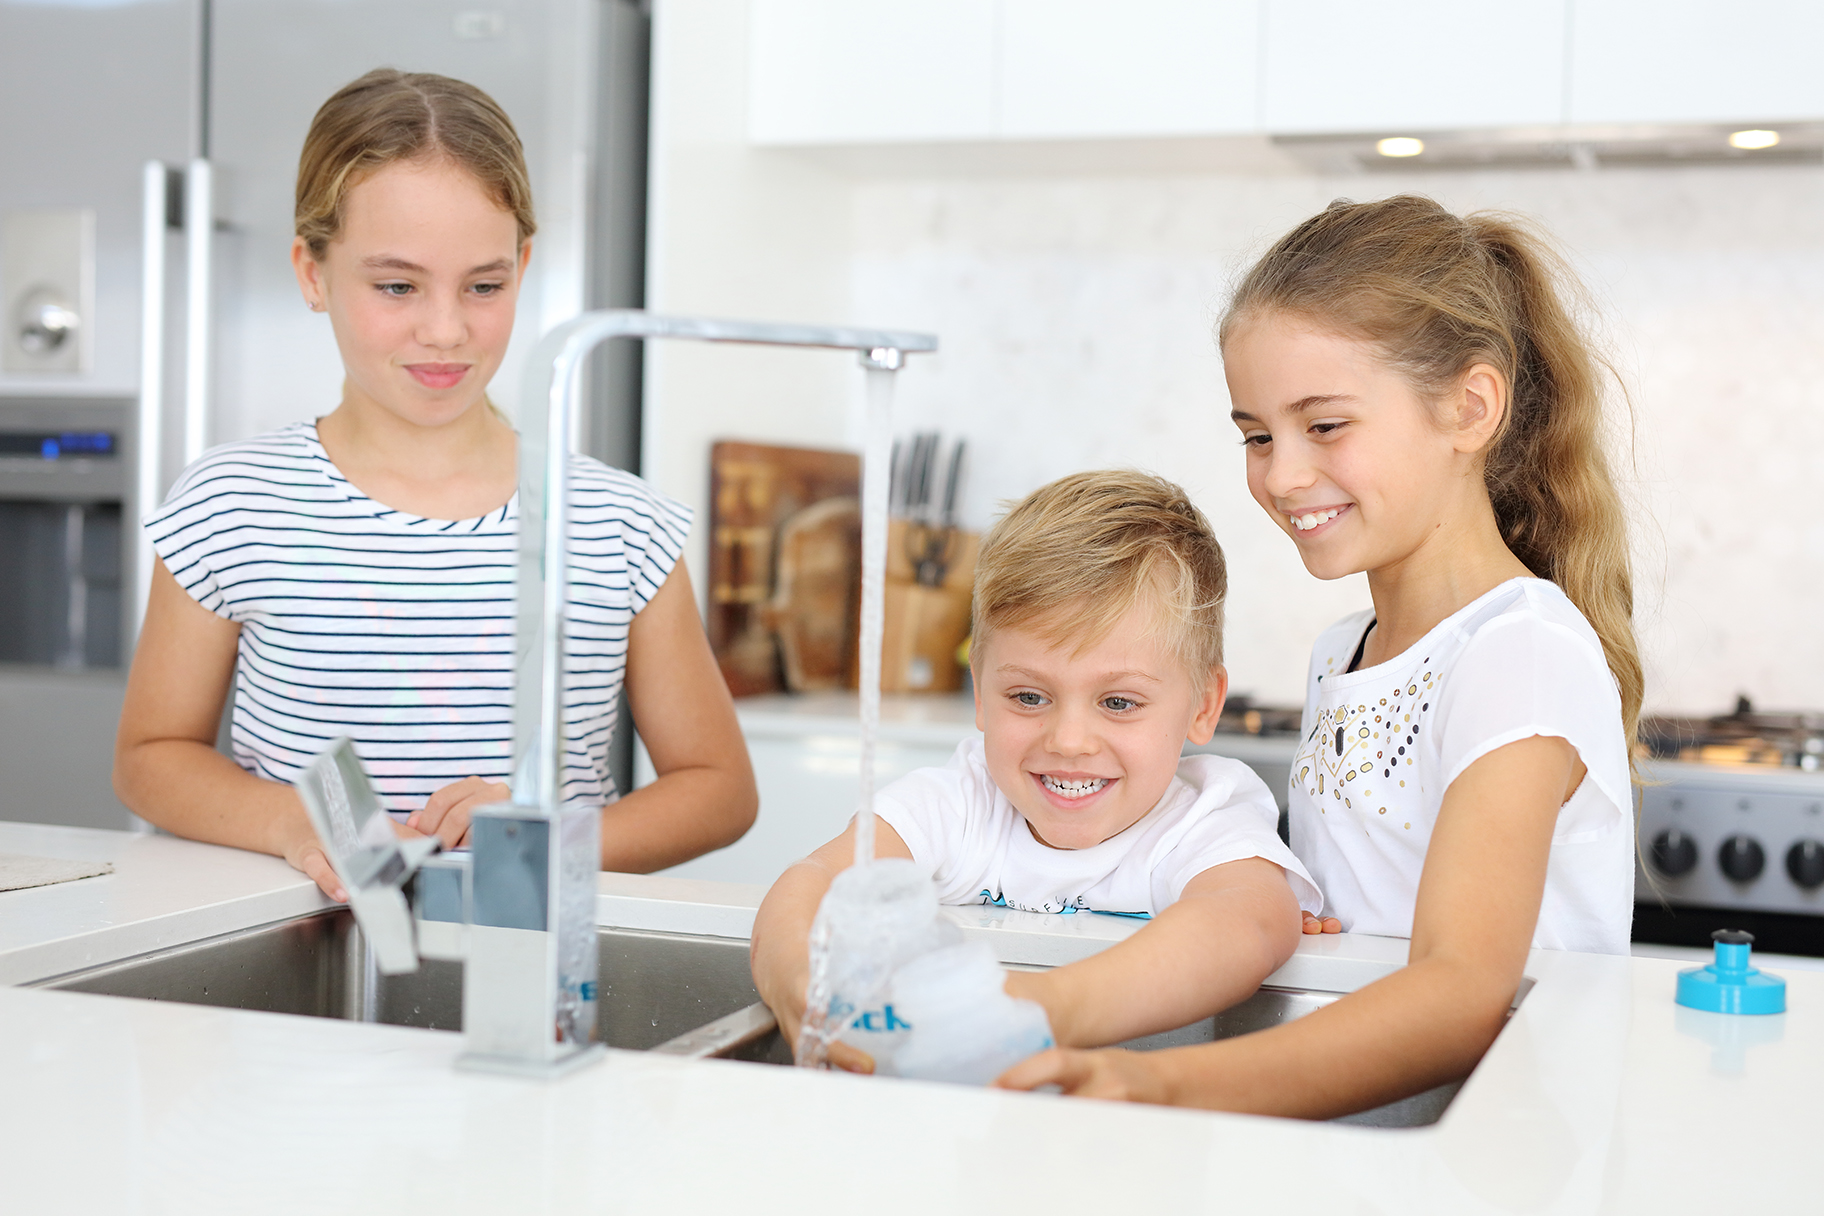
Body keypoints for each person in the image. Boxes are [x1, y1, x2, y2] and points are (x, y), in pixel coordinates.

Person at [999, 195, 1640, 1117]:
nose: (1282, 474)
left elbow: (1463, 996)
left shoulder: (1519, 655)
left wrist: (1156, 1080)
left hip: (1497, 1157)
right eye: (1256, 435)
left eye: (1325, 426)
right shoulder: (1346, 651)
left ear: (1470, 407)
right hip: (1372, 1139)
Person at [114, 69, 756, 899]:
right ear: (312, 272)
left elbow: (719, 789)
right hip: (295, 957)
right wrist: (287, 821)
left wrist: (556, 836)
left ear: (523, 268)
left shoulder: (616, 525)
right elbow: (149, 757)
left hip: (539, 976)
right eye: (397, 286)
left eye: (483, 286)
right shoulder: (233, 504)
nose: (446, 329)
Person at [750, 470, 1323, 1068]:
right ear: (979, 691)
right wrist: (796, 978)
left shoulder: (1205, 823)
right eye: (1028, 697)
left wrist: (1033, 1009)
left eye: (1119, 702)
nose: (1069, 741)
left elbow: (1248, 925)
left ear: (1203, 706)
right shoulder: (961, 804)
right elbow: (816, 880)